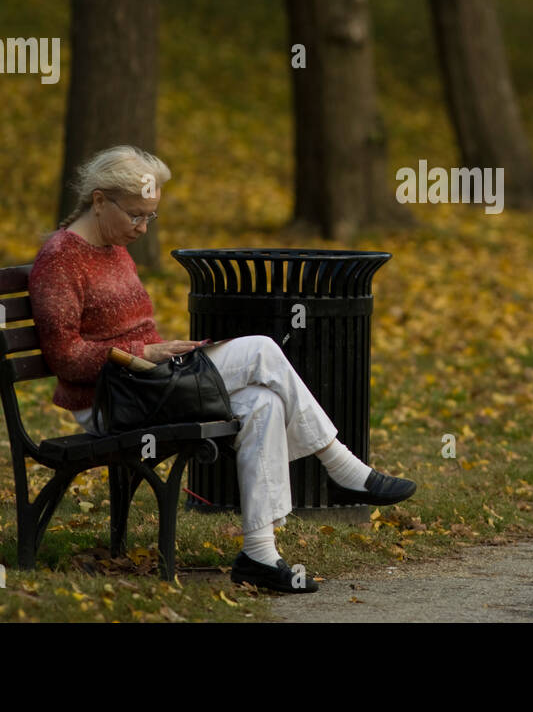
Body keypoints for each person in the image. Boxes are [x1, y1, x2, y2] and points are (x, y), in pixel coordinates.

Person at [27, 145, 415, 593]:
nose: (142, 227)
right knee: (261, 351)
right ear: (98, 200)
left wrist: (157, 352)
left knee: (264, 402)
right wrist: (146, 352)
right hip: (111, 400)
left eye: (150, 216)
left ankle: (259, 554)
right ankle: (343, 468)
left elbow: (124, 331)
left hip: (145, 384)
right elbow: (66, 356)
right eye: (135, 214)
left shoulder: (113, 247)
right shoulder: (61, 258)